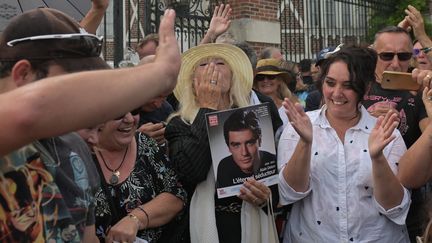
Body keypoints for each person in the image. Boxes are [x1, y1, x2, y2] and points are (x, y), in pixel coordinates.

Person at [0, 8, 180, 242]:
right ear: (23, 74)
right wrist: (160, 74)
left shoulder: (73, 150)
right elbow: (29, 112)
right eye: (71, 87)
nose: (85, 105)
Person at [278, 46, 410, 242]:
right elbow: (289, 193)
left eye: (348, 86)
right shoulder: (299, 127)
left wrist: (378, 158)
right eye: (330, 83)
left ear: (365, 88)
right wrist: (306, 143)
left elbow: (394, 206)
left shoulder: (386, 133)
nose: (337, 93)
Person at [165, 43, 278, 243]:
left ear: (232, 75)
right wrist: (208, 107)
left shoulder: (256, 118)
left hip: (250, 223)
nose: (212, 69)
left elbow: (273, 180)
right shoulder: (180, 123)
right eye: (203, 65)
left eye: (219, 63)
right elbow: (192, 172)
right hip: (208, 225)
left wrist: (264, 197)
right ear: (193, 81)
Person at [363, 24, 429, 241]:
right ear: (373, 54)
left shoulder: (420, 93)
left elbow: (428, 131)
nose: (395, 63)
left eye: (403, 55)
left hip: (406, 203)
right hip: (358, 200)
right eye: (386, 55)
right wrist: (364, 117)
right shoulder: (355, 87)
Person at [91, 109, 186, 243]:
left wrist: (135, 219)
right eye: (119, 114)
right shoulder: (76, 158)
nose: (130, 119)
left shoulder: (144, 143)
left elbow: (176, 195)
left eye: (135, 110)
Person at [216, 109, 276, 188]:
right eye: (236, 145)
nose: (244, 153)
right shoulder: (224, 166)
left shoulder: (273, 159)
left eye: (249, 143)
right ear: (228, 147)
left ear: (260, 141)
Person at [253, 58, 297, 132]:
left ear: (279, 80)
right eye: (260, 77)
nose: (265, 80)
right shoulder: (251, 106)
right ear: (256, 83)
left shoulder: (290, 107)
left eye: (271, 77)